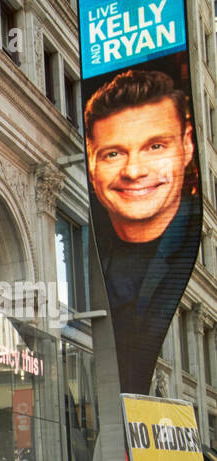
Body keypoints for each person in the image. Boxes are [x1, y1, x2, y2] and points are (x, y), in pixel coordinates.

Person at [85, 69, 202, 393]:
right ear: (92, 163)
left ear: (187, 144)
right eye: (113, 153)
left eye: (155, 146)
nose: (134, 171)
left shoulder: (191, 240)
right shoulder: (88, 245)